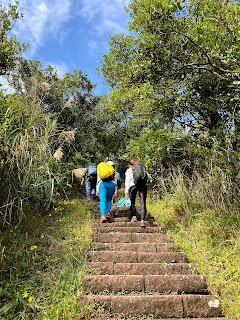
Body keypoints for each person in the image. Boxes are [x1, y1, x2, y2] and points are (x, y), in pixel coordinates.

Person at [125, 158, 151, 228]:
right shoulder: (142, 168)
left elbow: (127, 181)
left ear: (130, 165)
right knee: (142, 202)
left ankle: (134, 216)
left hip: (133, 186)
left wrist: (126, 192)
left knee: (132, 202)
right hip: (142, 186)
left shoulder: (129, 170)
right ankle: (142, 220)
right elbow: (149, 177)